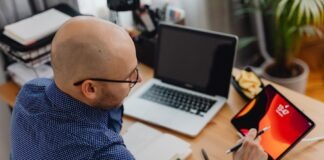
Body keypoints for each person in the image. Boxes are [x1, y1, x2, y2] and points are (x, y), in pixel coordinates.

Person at [11, 16, 267, 160]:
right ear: (90, 89)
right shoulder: (103, 153)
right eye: (130, 77)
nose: (139, 81)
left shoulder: (29, 92)